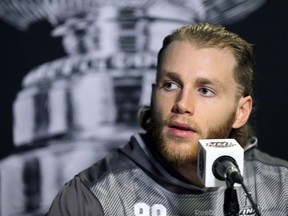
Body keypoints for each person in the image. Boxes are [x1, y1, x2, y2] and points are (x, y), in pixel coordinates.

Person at [46, 22, 288, 216]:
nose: (182, 104)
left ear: (240, 112)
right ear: (153, 93)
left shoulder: (281, 188)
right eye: (170, 85)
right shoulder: (90, 196)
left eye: (205, 90)